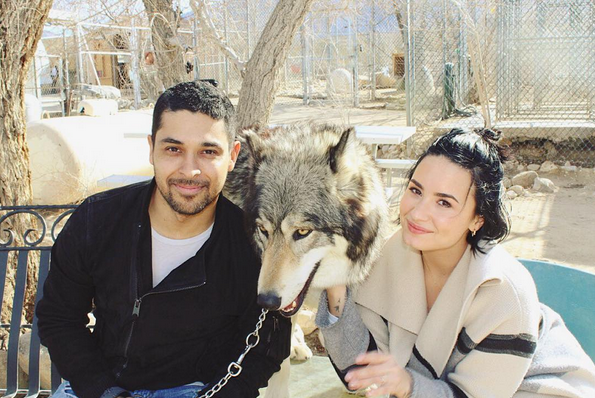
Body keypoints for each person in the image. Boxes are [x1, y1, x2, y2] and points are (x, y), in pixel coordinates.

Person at [37, 80, 291, 398]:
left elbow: (265, 346)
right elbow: (59, 317)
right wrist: (103, 390)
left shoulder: (254, 242)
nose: (190, 170)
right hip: (98, 387)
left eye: (208, 152)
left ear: (233, 156)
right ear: (151, 148)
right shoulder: (97, 221)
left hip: (200, 391)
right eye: (173, 149)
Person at [316, 128, 595, 397]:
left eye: (444, 203)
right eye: (416, 190)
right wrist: (336, 285)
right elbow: (361, 373)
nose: (418, 213)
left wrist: (408, 386)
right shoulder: (392, 256)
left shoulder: (505, 291)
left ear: (478, 219)